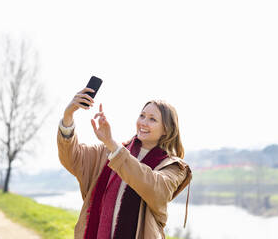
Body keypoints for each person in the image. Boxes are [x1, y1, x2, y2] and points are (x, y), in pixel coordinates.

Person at [57, 87, 192, 239]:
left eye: (152, 119)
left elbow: (155, 188)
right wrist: (68, 116)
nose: (143, 123)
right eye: (142, 116)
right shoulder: (108, 152)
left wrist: (113, 145)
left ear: (167, 130)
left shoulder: (173, 167)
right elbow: (72, 158)